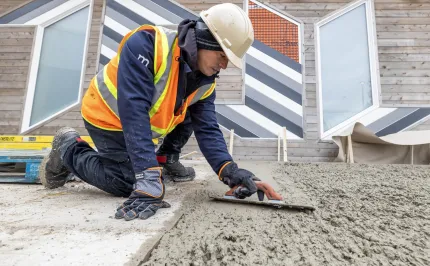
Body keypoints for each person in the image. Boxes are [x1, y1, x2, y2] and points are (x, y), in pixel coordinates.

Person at [38, 3, 260, 221]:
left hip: (137, 122)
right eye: (223, 56)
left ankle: (165, 158)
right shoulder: (147, 45)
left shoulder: (204, 82)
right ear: (205, 39)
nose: (225, 65)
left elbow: (208, 129)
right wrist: (147, 176)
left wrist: (230, 172)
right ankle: (69, 149)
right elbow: (134, 111)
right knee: (127, 182)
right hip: (107, 117)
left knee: (192, 109)